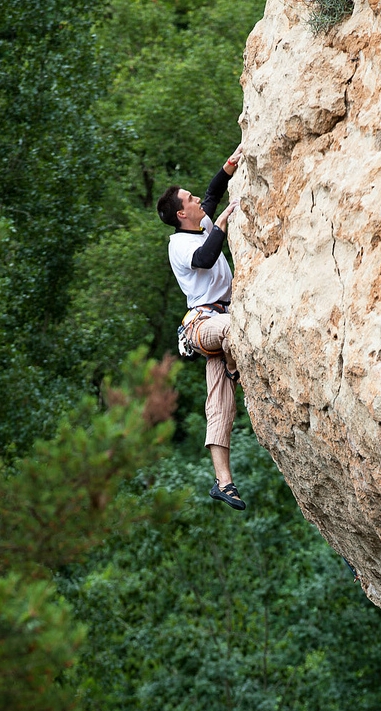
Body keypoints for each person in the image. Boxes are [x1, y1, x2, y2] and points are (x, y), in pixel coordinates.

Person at [156, 146, 245, 511]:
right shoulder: (178, 243)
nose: (196, 199)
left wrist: (229, 166)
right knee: (233, 327)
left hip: (219, 318)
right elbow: (205, 259)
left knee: (220, 405)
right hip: (203, 323)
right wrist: (222, 224)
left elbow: (212, 193)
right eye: (188, 199)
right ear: (182, 213)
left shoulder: (201, 222)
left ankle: (223, 482)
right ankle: (238, 364)